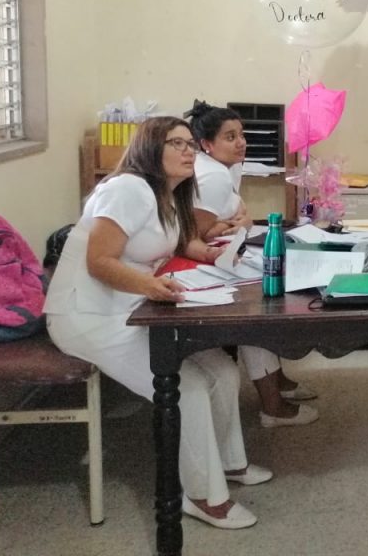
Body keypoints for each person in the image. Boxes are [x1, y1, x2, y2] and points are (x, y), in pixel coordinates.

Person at [44, 116, 270, 530]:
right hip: (88, 315)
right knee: (188, 387)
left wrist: (216, 251)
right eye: (176, 143)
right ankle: (202, 497)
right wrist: (151, 286)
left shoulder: (168, 193)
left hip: (131, 305)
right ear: (151, 149)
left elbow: (177, 241)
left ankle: (229, 463)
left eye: (190, 144)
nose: (188, 152)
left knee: (222, 368)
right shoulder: (127, 189)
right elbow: (99, 261)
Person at [185, 100, 318, 428]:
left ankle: (277, 379)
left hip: (223, 250)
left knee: (272, 273)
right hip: (199, 263)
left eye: (241, 134)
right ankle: (272, 406)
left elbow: (237, 212)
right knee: (258, 306)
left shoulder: (224, 167)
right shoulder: (212, 175)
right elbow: (195, 234)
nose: (241, 142)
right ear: (206, 144)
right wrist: (236, 224)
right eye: (230, 137)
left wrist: (240, 223)